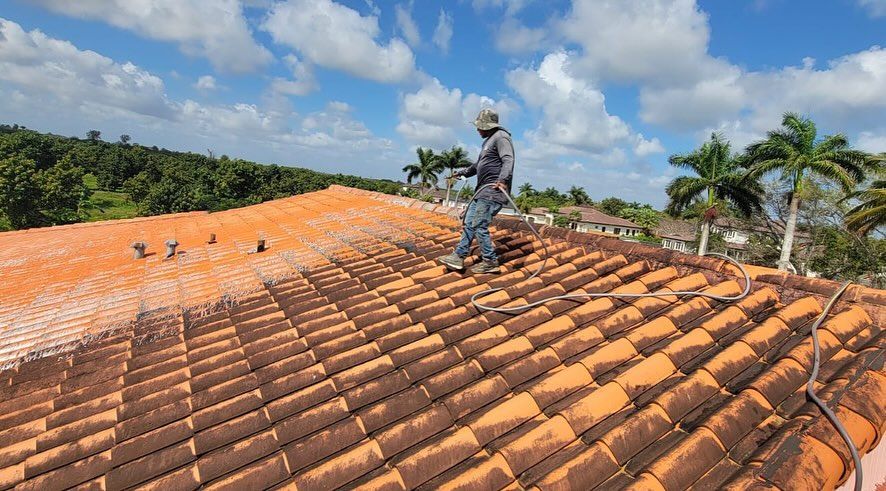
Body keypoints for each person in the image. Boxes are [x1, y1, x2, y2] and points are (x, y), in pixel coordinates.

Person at [438, 108, 515, 274]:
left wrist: (502, 180)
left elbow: (508, 160)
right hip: (481, 192)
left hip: (492, 191)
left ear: (487, 126)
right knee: (469, 223)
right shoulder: (488, 141)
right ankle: (458, 256)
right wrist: (464, 172)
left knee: (479, 224)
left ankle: (490, 261)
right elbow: (478, 165)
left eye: (479, 126)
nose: (477, 129)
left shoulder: (501, 137)